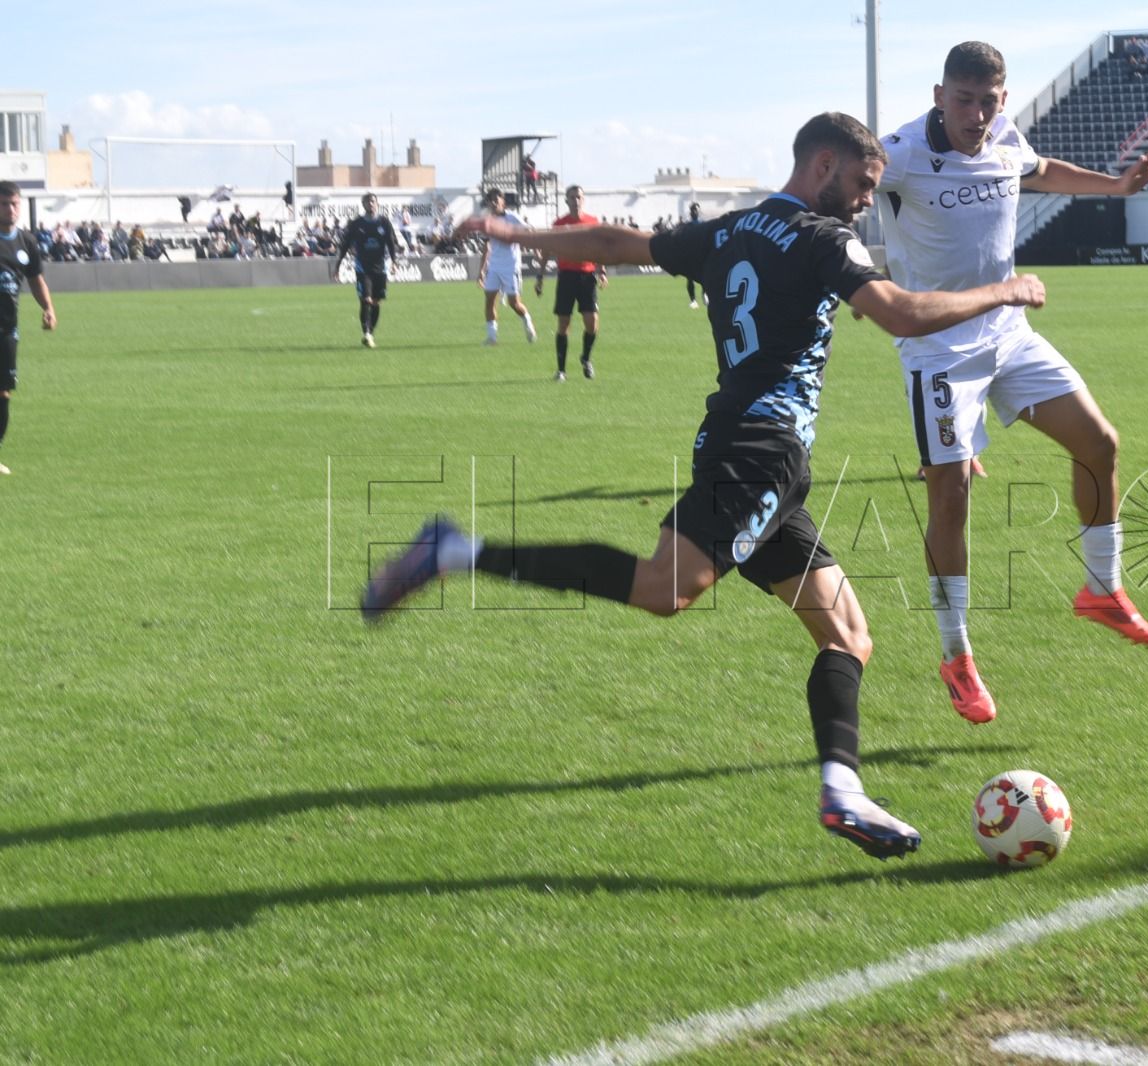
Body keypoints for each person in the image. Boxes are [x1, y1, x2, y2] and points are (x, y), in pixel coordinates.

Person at [365, 112, 1046, 861]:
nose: (863, 201)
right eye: (860, 184)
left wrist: (514, 235)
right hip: (758, 452)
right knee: (666, 588)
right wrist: (1004, 290)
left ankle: (842, 791)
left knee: (847, 634)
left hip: (758, 456)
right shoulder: (824, 239)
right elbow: (905, 315)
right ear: (823, 165)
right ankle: (457, 551)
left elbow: (611, 244)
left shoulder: (730, 231)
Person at [876, 41, 1148, 726]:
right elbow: (838, 190)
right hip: (937, 351)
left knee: (1099, 442)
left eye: (988, 101)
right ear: (938, 95)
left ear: (1002, 100)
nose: (976, 115)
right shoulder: (898, 155)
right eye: (964, 100)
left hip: (1009, 335)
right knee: (949, 495)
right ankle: (956, 655)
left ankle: (1102, 590)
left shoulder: (1005, 134)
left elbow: (1039, 170)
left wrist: (1117, 185)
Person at [0, 181, 58, 476]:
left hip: (7, 332)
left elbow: (35, 280)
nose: (10, 210)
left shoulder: (26, 243)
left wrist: (47, 308)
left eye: (14, 204)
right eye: (4, 204)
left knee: (3, 393)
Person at [332, 192, 402, 348]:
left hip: (380, 268)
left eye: (373, 201)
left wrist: (394, 262)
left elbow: (391, 243)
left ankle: (370, 333)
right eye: (367, 201)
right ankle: (366, 333)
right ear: (363, 205)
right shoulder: (356, 224)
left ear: (377, 204)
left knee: (376, 302)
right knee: (366, 300)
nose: (370, 204)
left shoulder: (384, 222)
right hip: (363, 268)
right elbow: (345, 245)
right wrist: (338, 265)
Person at [551, 185, 606, 380]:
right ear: (566, 201)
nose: (575, 201)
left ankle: (585, 358)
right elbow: (551, 248)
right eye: (572, 197)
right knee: (564, 323)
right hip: (567, 276)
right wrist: (540, 276)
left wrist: (602, 271)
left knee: (592, 324)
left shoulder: (592, 222)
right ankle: (561, 370)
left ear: (583, 200)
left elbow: (599, 249)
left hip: (588, 277)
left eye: (579, 197)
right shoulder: (559, 224)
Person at [476, 189, 538, 346]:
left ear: (503, 202)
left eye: (497, 200)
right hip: (494, 267)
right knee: (489, 300)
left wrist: (536, 250)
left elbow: (530, 231)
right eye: (491, 200)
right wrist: (482, 271)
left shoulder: (512, 217)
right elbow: (486, 247)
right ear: (488, 203)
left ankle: (527, 321)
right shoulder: (488, 221)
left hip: (511, 266)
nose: (494, 203)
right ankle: (492, 337)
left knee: (514, 304)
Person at [685, 201, 704, 308]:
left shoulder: (703, 224)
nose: (695, 212)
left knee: (705, 276)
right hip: (691, 254)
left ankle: (705, 294)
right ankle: (693, 301)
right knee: (690, 278)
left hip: (702, 254)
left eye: (696, 209)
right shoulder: (687, 226)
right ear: (690, 212)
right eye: (693, 210)